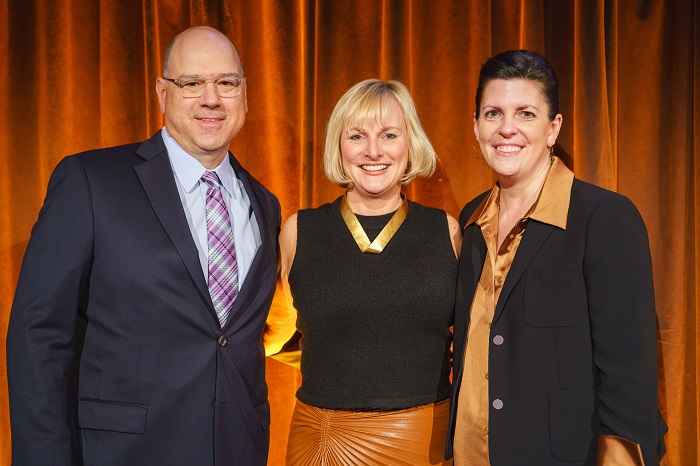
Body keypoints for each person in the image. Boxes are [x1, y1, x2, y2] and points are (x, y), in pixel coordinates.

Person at [6, 26, 280, 465]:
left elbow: (235, 342)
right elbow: (38, 337)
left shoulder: (264, 203)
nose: (211, 98)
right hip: (122, 453)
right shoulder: (91, 182)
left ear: (244, 92)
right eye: (191, 83)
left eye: (226, 83)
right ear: (162, 92)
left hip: (237, 450)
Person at [445, 50, 668, 465]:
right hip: (471, 453)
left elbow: (629, 375)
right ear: (476, 126)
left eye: (526, 114)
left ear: (553, 128)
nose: (507, 128)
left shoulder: (604, 217)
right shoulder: (471, 222)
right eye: (493, 114)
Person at [277, 79, 461, 465]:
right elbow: (269, 337)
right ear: (338, 147)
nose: (373, 151)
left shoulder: (447, 230)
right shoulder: (298, 231)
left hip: (426, 443)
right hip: (323, 443)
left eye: (389, 135)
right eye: (357, 136)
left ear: (409, 144)